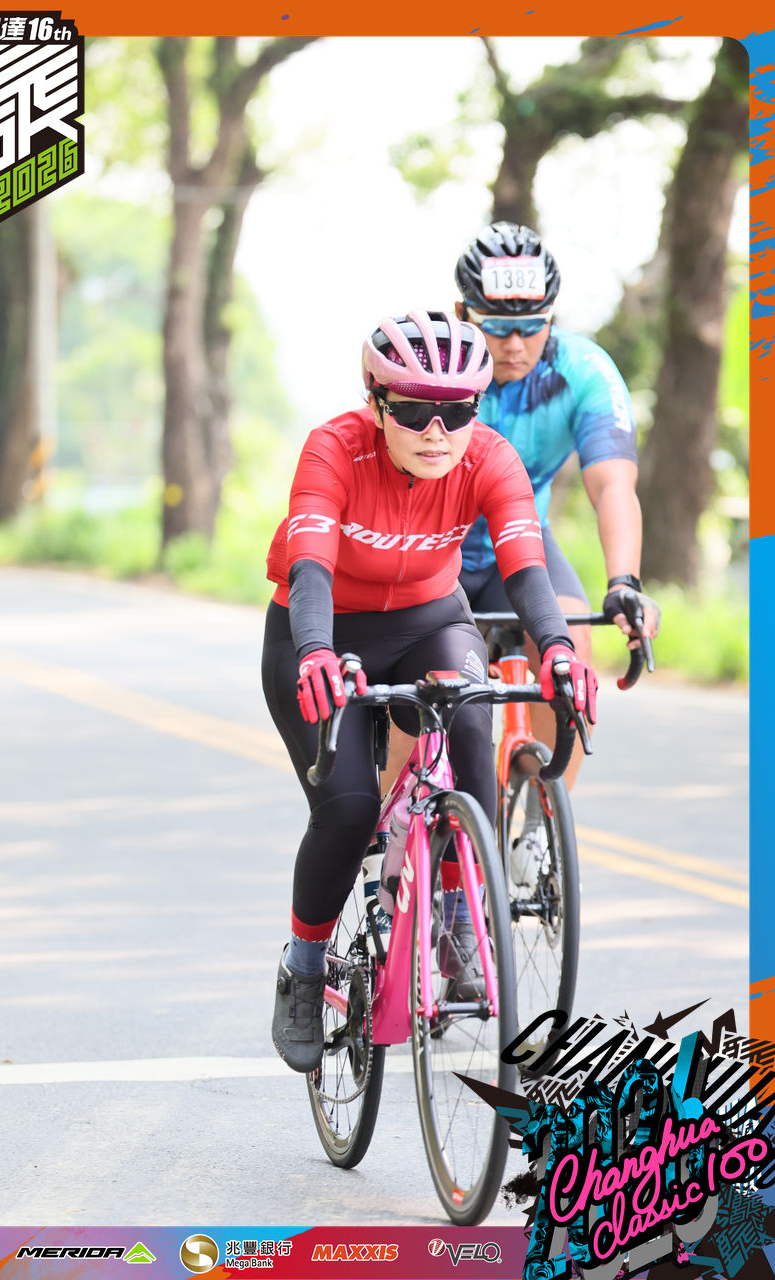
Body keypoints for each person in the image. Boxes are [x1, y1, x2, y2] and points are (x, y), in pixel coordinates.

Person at [261, 309, 597, 1074]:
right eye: (414, 411)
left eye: (457, 411)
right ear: (376, 403)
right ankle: (304, 969)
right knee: (347, 809)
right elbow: (309, 567)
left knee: (471, 729)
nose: (437, 431)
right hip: (320, 633)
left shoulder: (490, 458)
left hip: (429, 623)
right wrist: (315, 651)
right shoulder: (333, 448)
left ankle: (456, 922)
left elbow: (524, 569)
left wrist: (555, 648)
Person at [453, 220, 659, 786]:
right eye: (497, 329)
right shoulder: (436, 362)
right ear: (463, 313)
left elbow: (613, 485)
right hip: (433, 546)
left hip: (520, 544)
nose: (514, 346)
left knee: (572, 644)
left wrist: (624, 582)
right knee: (429, 684)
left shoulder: (583, 371)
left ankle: (539, 817)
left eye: (532, 327)